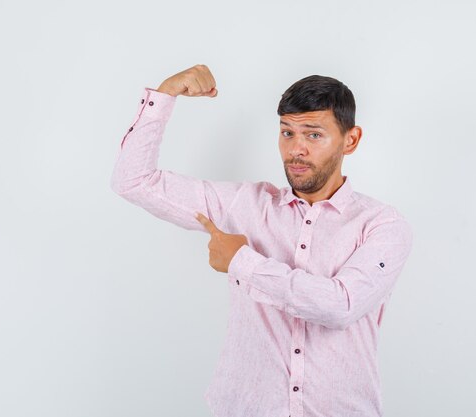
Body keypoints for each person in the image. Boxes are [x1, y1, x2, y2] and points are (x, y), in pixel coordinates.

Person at [110, 64, 413, 417]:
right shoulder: (246, 205)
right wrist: (164, 94)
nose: (296, 149)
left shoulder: (382, 225)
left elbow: (340, 306)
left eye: (313, 135)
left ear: (351, 139)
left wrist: (241, 262)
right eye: (287, 133)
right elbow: (133, 181)